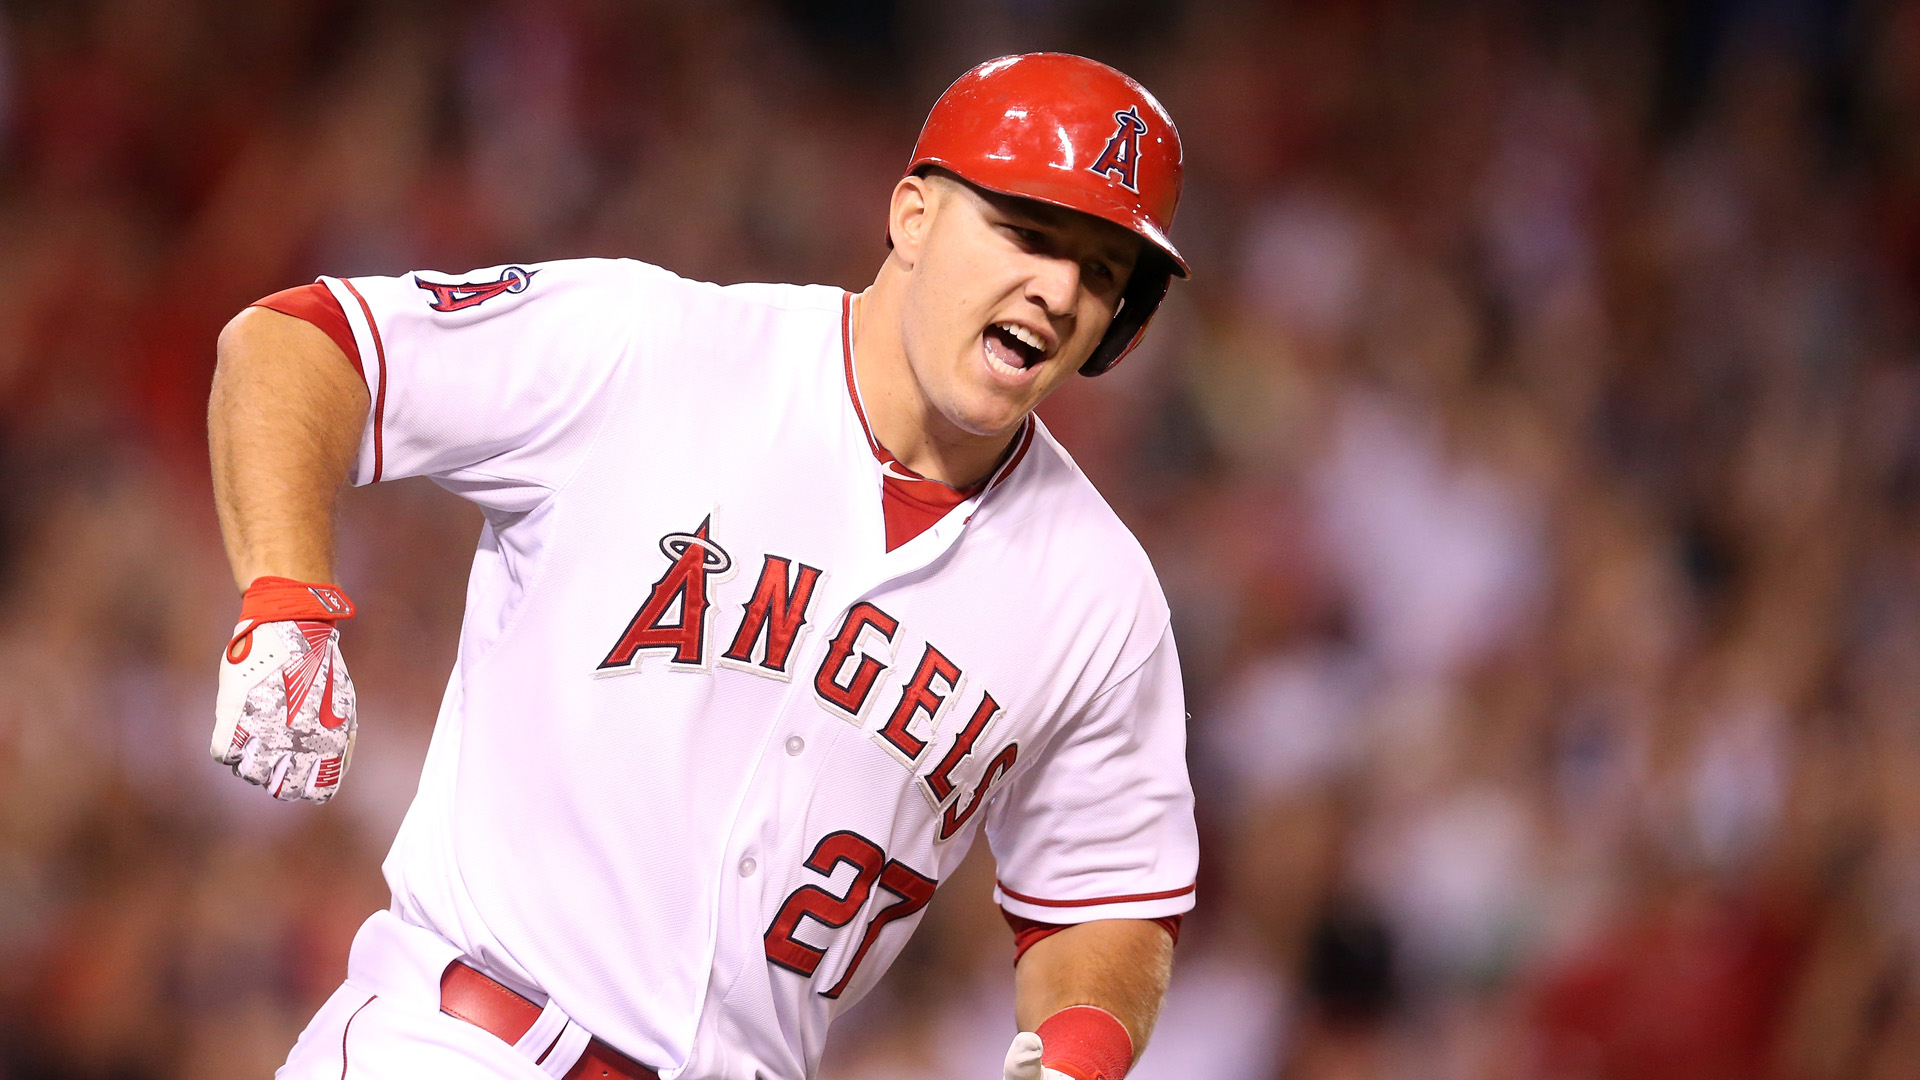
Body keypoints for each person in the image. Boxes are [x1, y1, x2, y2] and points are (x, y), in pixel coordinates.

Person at [206, 53, 1198, 1080]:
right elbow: (302, 345)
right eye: (1029, 233)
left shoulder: (1101, 598)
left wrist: (1078, 1053)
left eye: (1102, 270)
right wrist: (286, 595)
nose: (1059, 289)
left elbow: (1110, 902)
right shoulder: (655, 349)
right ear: (912, 216)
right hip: (461, 1045)